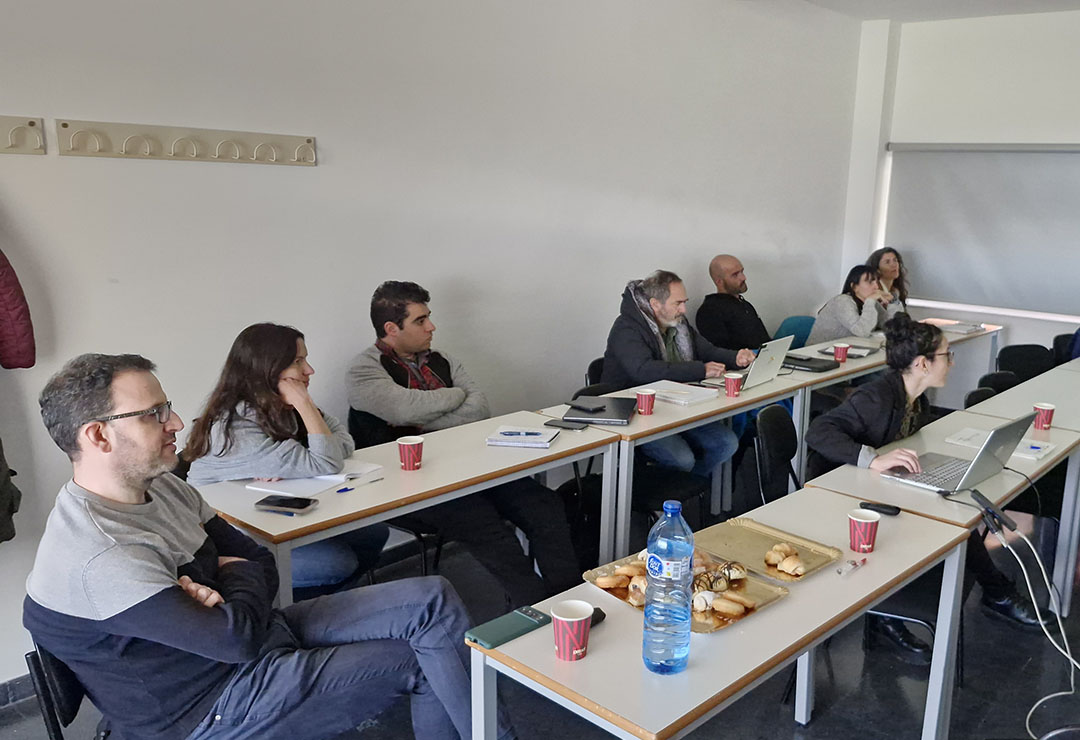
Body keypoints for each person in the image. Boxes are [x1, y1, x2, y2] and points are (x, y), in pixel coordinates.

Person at [25, 353, 508, 740]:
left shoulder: (166, 486)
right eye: (154, 414)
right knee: (420, 662)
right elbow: (234, 640)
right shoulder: (103, 553)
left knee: (432, 597)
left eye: (166, 407)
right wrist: (232, 577)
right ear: (98, 435)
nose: (176, 422)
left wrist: (226, 584)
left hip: (255, 635)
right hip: (213, 703)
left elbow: (258, 558)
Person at [806, 315, 1045, 660]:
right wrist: (872, 459)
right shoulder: (876, 397)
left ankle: (991, 593)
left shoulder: (917, 400)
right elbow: (818, 432)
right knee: (951, 519)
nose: (952, 362)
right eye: (947, 355)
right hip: (842, 494)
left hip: (879, 487)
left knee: (958, 514)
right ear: (922, 364)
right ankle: (987, 596)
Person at [347, 281, 580, 609]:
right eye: (420, 320)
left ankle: (571, 604)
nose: (431, 326)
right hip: (415, 484)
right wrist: (454, 398)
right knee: (488, 527)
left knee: (544, 505)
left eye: (428, 317)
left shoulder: (442, 359)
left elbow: (478, 409)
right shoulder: (363, 371)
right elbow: (403, 409)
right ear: (391, 329)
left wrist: (424, 416)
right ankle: (537, 612)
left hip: (472, 466)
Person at [185, 324, 389, 601]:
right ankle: (291, 611)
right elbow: (327, 461)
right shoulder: (234, 425)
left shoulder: (278, 406)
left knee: (373, 533)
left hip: (268, 515)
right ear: (267, 370)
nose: (309, 370)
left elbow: (344, 443)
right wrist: (305, 406)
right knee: (338, 563)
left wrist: (297, 455)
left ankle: (326, 604)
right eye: (298, 362)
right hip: (231, 538)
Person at [601, 270, 756, 477]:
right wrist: (700, 369)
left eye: (685, 302)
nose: (684, 309)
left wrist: (735, 357)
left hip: (676, 408)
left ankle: (691, 487)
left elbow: (707, 350)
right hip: (636, 415)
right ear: (655, 304)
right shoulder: (626, 328)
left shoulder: (678, 323)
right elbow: (643, 371)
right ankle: (675, 491)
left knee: (726, 443)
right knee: (683, 459)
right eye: (678, 303)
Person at [805, 264, 898, 346]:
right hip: (816, 352)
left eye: (876, 282)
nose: (876, 287)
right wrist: (870, 301)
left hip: (850, 350)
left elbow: (892, 327)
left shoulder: (871, 302)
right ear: (854, 287)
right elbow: (862, 331)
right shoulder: (842, 302)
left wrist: (893, 301)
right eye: (870, 282)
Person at [695, 254, 772, 351]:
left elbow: (764, 341)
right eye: (735, 275)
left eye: (742, 272)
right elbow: (720, 352)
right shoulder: (710, 311)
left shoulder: (745, 305)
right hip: (744, 359)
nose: (743, 278)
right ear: (719, 281)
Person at [867, 246, 909, 313]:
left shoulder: (896, 291)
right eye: (887, 262)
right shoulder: (874, 292)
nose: (894, 265)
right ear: (877, 270)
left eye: (895, 260)